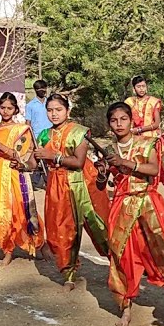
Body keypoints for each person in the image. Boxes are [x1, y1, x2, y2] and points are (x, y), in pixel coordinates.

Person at [101, 102, 164, 326]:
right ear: (109, 125)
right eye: (114, 120)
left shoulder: (148, 143)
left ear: (131, 120)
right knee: (122, 256)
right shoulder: (109, 151)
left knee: (161, 253)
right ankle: (126, 307)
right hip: (122, 207)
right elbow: (103, 183)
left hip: (147, 204)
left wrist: (125, 163)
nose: (119, 124)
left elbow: (154, 170)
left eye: (123, 119)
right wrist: (103, 172)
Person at [29, 94, 109, 289]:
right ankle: (69, 275)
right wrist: (22, 163)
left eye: (58, 110)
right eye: (50, 110)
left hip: (83, 184)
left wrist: (53, 156)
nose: (54, 114)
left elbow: (78, 162)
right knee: (61, 230)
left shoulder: (79, 132)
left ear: (68, 111)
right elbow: (35, 162)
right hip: (57, 187)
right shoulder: (44, 135)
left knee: (99, 227)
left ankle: (117, 264)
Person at [0, 92, 43, 266]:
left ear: (15, 110)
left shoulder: (21, 129)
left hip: (15, 173)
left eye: (9, 108)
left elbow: (18, 155)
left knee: (20, 211)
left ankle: (37, 243)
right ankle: (6, 248)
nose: (6, 111)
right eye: (3, 107)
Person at [125, 75, 163, 140]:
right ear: (134, 89)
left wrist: (139, 129)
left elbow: (157, 123)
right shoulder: (129, 102)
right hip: (133, 135)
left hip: (151, 136)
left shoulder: (153, 101)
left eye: (143, 86)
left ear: (146, 88)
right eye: (138, 87)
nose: (141, 89)